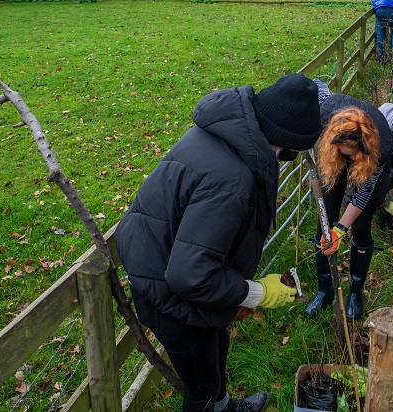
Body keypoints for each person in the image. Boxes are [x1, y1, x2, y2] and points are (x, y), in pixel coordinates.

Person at [116, 73, 323, 412]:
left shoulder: (231, 134)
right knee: (202, 389)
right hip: (168, 290)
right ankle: (214, 404)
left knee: (217, 347)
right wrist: (257, 293)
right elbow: (189, 275)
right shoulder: (232, 179)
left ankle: (226, 407)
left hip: (167, 258)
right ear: (288, 141)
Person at [304, 80, 393, 320]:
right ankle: (324, 290)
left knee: (362, 227)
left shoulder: (382, 146)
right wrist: (330, 231)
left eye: (355, 152)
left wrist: (341, 229)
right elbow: (315, 87)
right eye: (349, 151)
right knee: (324, 224)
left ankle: (356, 291)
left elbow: (362, 194)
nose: (353, 156)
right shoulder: (325, 115)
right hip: (333, 159)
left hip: (372, 163)